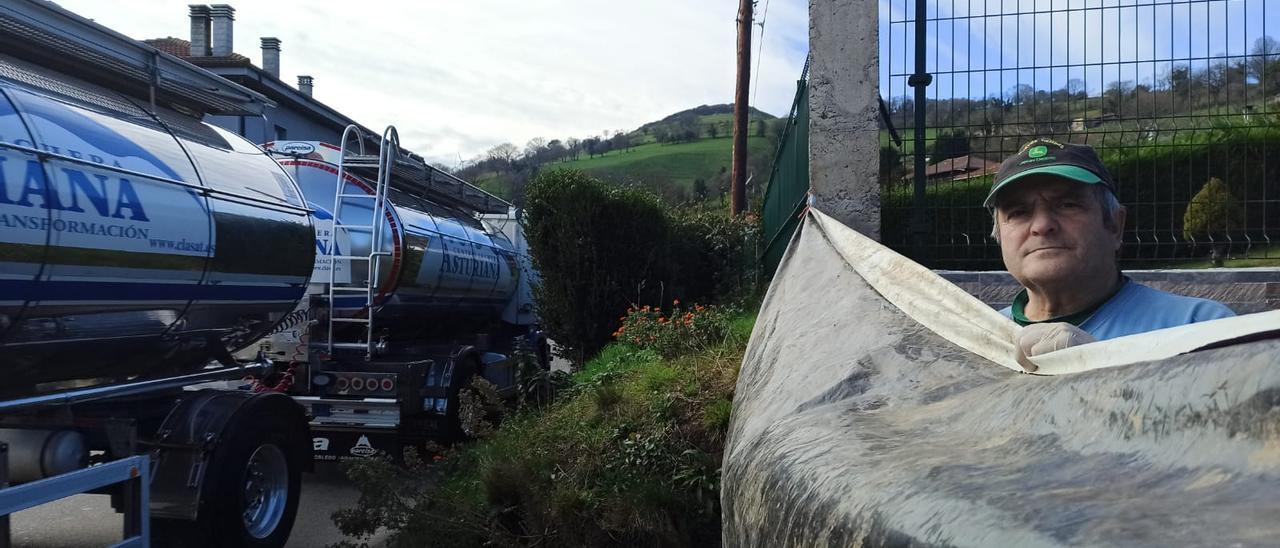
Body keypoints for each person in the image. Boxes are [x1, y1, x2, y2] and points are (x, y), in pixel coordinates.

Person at [984, 138, 1235, 370]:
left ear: (1115, 225)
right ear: (999, 237)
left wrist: (1100, 368)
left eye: (1067, 205)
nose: (1041, 225)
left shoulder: (1200, 326)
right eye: (1018, 212)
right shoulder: (981, 341)